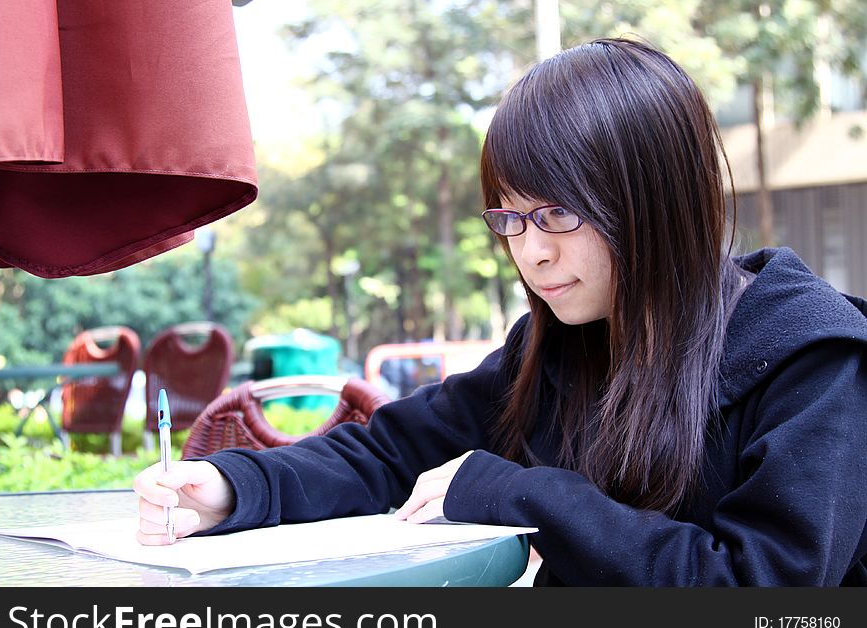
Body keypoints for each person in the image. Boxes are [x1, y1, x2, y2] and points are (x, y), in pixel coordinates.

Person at [133, 37, 867, 586]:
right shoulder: (560, 345)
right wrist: (234, 487)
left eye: (556, 214)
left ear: (655, 203)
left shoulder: (812, 360)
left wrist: (523, 489)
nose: (531, 253)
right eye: (510, 219)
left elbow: (764, 588)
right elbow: (394, 449)